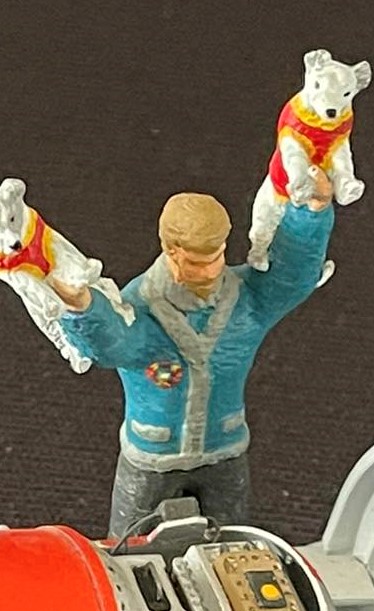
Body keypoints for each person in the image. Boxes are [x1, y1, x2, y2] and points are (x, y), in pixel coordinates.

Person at [49, 171, 335, 537]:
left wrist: (312, 210)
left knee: (231, 541)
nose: (212, 270)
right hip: (153, 456)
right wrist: (82, 306)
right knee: (129, 545)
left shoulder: (246, 300)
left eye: (217, 257)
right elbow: (115, 345)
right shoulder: (140, 303)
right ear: (171, 251)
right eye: (198, 262)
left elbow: (291, 278)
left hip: (224, 448)